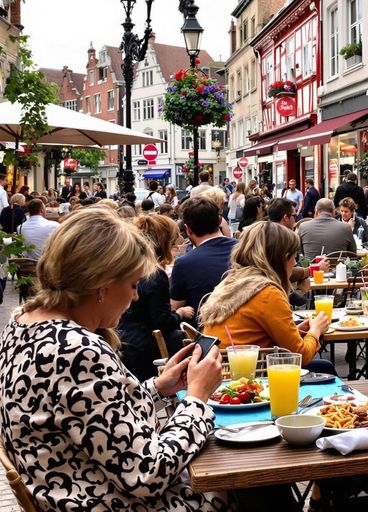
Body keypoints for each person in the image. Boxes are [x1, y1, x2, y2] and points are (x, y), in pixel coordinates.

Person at [0, 207, 229, 510]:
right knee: (248, 486)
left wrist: (158, 388)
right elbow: (147, 475)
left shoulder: (23, 323)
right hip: (117, 502)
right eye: (133, 284)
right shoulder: (75, 349)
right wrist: (197, 400)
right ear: (102, 285)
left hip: (78, 490)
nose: (135, 297)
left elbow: (91, 418)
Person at [200, 221, 332, 368]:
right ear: (284, 258)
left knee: (323, 366)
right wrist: (316, 330)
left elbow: (251, 331)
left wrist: (295, 331)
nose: (295, 263)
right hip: (247, 377)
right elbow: (300, 355)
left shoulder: (232, 281)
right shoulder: (268, 292)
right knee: (324, 367)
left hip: (218, 368)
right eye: (294, 257)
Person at [117, 214, 193, 381]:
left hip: (124, 339)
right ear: (165, 242)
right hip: (144, 347)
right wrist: (180, 313)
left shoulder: (133, 266)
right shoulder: (154, 273)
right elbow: (162, 321)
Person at [169, 197, 237, 322]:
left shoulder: (184, 263)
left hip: (204, 333)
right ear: (219, 220)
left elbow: (175, 306)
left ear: (188, 229)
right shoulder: (246, 250)